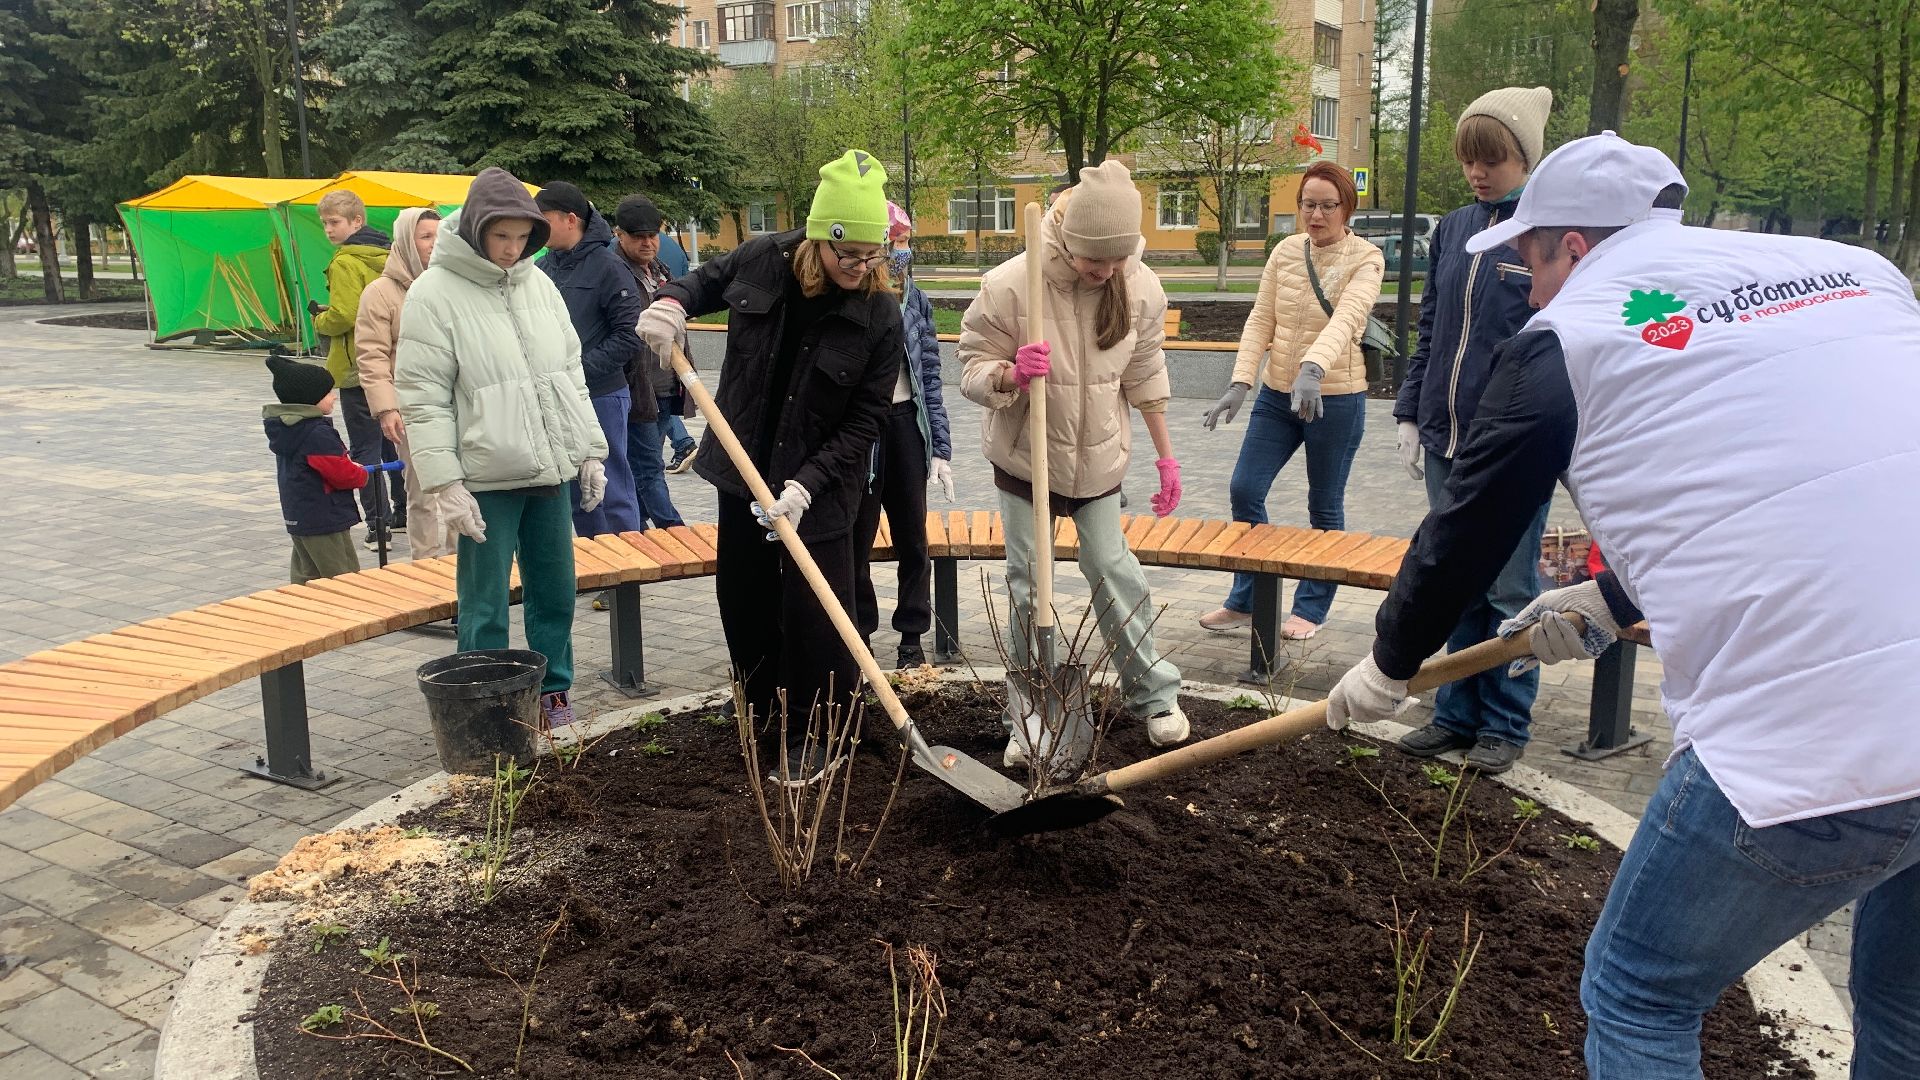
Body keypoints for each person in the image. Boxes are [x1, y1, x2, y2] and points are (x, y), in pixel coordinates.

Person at [1322, 132, 1920, 1079]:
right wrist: (1604, 601)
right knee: (1906, 1005)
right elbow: (1790, 481)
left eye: (1528, 258)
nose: (1527, 283)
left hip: (1817, 729)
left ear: (1575, 245)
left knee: (1641, 988)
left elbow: (1464, 534)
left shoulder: (1570, 337)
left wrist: (1388, 664)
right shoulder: (1856, 273)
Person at [636, 150, 903, 783]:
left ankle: (819, 732)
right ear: (820, 239)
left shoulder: (879, 314)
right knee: (746, 601)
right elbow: (700, 282)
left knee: (817, 615)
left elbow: (867, 419)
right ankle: (761, 720)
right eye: (851, 255)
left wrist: (806, 486)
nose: (863, 269)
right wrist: (672, 303)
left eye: (875, 256)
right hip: (742, 467)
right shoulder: (763, 258)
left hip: (822, 488)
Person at [958, 160, 1189, 758]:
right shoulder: (1013, 284)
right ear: (1068, 236)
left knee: (1115, 573)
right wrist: (1009, 372)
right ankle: (1030, 715)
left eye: (1116, 260)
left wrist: (1167, 461)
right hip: (1026, 462)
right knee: (1030, 588)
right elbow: (971, 366)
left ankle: (1155, 695)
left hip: (1099, 467)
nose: (1105, 271)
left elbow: (1145, 373)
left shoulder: (1138, 286)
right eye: (1095, 260)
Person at [396, 168, 609, 731]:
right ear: (475, 229)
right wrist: (444, 482)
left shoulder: (539, 285)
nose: (513, 250)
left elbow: (569, 374)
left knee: (556, 593)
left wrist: (589, 448)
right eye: (502, 237)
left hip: (548, 472)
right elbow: (423, 399)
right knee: (485, 605)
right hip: (484, 479)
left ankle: (552, 701)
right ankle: (486, 710)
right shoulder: (433, 293)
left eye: (523, 238)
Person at [1386, 86, 1555, 773]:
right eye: (1470, 160)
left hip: (1510, 448)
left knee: (1510, 589)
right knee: (1454, 578)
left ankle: (1505, 725)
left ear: (1525, 159)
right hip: (1443, 438)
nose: (1480, 173)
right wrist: (1408, 409)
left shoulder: (1542, 233)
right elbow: (1430, 329)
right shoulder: (1454, 228)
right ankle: (1453, 714)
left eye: (1495, 159)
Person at [1197, 161, 1386, 643]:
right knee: (1245, 488)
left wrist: (1313, 369)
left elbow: (1347, 319)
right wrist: (1241, 382)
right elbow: (1262, 319)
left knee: (1324, 505)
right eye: (1308, 204)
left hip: (1335, 399)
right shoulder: (1285, 251)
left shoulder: (1367, 258)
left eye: (1327, 206)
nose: (1316, 215)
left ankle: (1311, 607)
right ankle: (1249, 597)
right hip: (1278, 395)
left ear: (1347, 208)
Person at [852, 201, 955, 669]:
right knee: (856, 537)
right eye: (891, 243)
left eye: (904, 243)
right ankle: (860, 635)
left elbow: (929, 374)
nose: (899, 253)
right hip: (862, 431)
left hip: (906, 425)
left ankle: (912, 636)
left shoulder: (916, 300)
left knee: (913, 537)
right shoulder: (850, 298)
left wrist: (941, 448)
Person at [534, 181, 646, 538]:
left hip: (602, 395)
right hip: (558, 398)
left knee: (611, 487)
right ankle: (594, 569)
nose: (535, 225)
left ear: (570, 219)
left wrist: (576, 372)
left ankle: (625, 578)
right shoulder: (543, 267)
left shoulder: (608, 267)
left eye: (543, 218)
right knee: (576, 491)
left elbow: (631, 335)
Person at [353, 208, 448, 559]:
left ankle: (460, 565)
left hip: (455, 404)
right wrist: (386, 407)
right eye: (425, 237)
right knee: (422, 491)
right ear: (407, 241)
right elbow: (371, 355)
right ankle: (426, 565)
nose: (434, 244)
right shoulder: (380, 293)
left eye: (439, 236)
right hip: (411, 408)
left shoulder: (453, 284)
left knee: (462, 487)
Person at [309, 191, 401, 547]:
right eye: (325, 224)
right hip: (390, 365)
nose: (329, 230)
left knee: (365, 448)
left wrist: (320, 319)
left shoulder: (346, 261)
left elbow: (346, 314)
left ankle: (378, 525)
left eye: (334, 222)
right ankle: (403, 511)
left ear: (357, 221)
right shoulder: (389, 255)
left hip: (355, 367)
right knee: (394, 441)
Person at [612, 195, 688, 529]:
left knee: (643, 465)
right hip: (636, 387)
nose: (647, 242)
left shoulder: (660, 271)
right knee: (647, 468)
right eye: (638, 236)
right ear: (619, 234)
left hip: (667, 383)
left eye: (652, 235)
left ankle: (637, 531)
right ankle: (676, 533)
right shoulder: (614, 272)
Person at [262, 354, 366, 584]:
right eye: (328, 392)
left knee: (306, 575)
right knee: (343, 575)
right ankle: (348, 617)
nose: (334, 397)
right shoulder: (316, 433)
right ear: (310, 398)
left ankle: (302, 615)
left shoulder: (286, 429)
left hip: (299, 515)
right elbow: (342, 474)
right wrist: (360, 473)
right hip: (325, 515)